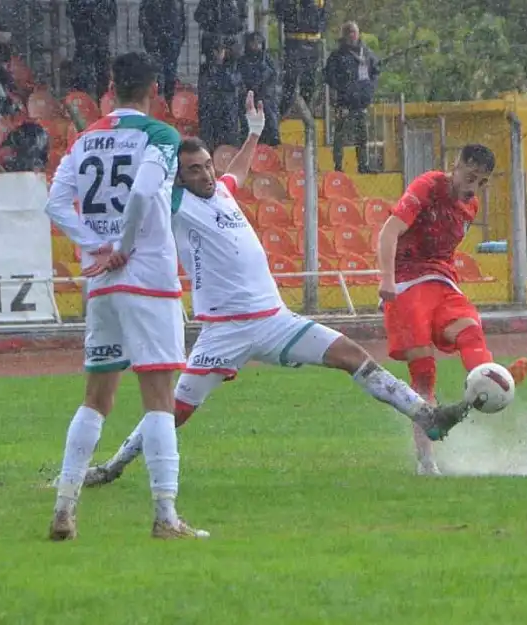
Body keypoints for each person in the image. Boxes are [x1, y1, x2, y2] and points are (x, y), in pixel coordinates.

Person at [82, 95, 474, 487]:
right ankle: (113, 466)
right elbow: (141, 191)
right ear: (179, 178)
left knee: (352, 355)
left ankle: (428, 416)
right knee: (174, 410)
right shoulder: (176, 202)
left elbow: (236, 172)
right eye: (194, 171)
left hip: (274, 319)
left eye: (206, 166)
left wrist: (253, 133)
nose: (205, 175)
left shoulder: (220, 190)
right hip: (225, 329)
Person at [43, 52, 206, 541]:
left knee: (96, 399)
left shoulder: (86, 137)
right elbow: (140, 194)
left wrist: (95, 246)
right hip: (147, 278)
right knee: (158, 398)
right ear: (155, 90)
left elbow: (53, 202)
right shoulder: (160, 136)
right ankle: (165, 516)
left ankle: (64, 506)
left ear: (110, 91)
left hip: (102, 285)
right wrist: (123, 247)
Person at [376, 145, 527, 476]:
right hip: (405, 283)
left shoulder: (470, 206)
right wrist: (386, 280)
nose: (474, 187)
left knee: (470, 331)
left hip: (442, 281)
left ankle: (490, 381)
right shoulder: (428, 186)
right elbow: (389, 231)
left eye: (482, 182)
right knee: (423, 373)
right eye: (470, 177)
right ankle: (426, 461)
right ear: (454, 167)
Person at [324, 21, 379, 173]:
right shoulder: (337, 55)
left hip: (361, 101)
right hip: (344, 102)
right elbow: (328, 75)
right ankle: (338, 166)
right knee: (340, 136)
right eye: (348, 32)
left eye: (353, 32)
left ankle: (363, 164)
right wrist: (344, 88)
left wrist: (369, 89)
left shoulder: (366, 53)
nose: (351, 35)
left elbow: (375, 71)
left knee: (363, 136)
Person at [274, 0, 329, 117]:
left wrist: (317, 27)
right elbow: (280, 11)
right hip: (294, 41)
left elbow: (325, 13)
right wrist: (295, 23)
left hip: (313, 43)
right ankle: (283, 112)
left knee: (309, 82)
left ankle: (304, 112)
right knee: (290, 80)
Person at [198, 38, 245, 150]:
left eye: (221, 50)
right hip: (210, 112)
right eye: (216, 50)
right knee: (209, 142)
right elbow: (206, 88)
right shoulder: (206, 69)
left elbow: (233, 84)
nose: (218, 53)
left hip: (228, 111)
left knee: (229, 143)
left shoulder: (232, 67)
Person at [238, 31, 281, 146]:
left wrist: (262, 91)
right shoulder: (242, 61)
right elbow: (239, 79)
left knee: (268, 107)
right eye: (253, 43)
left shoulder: (267, 61)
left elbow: (273, 79)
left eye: (259, 43)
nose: (256, 46)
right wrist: (249, 90)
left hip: (264, 95)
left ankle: (273, 134)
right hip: (247, 96)